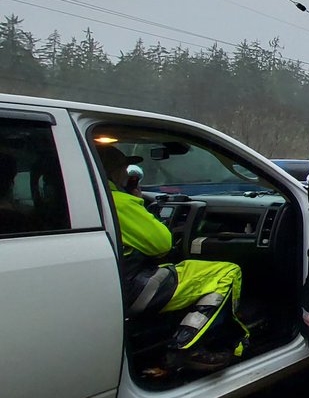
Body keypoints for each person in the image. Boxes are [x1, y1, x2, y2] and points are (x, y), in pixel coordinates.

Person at [98, 145, 249, 372]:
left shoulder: (84, 199)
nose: (126, 173)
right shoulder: (116, 202)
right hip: (132, 289)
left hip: (109, 286)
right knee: (225, 271)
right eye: (123, 168)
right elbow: (162, 244)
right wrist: (134, 201)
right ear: (113, 172)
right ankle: (188, 348)